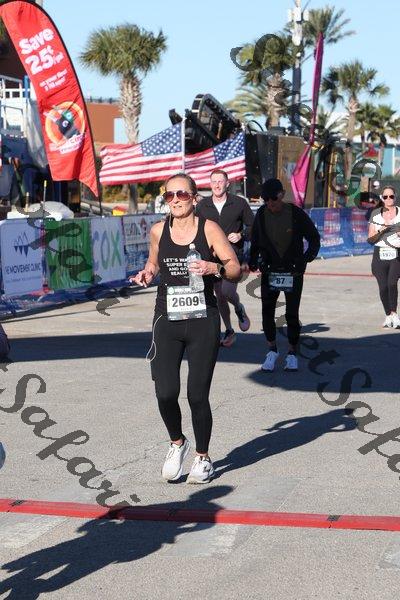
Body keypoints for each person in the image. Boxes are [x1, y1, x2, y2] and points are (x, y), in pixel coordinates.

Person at [132, 173, 240, 483]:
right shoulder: (158, 230)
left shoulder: (209, 229)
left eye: (182, 194)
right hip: (167, 318)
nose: (176, 200)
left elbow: (235, 269)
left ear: (194, 197)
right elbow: (154, 263)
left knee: (196, 394)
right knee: (165, 392)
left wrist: (213, 267)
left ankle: (203, 457)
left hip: (202, 319)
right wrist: (147, 273)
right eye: (170, 195)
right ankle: (177, 443)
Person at [249, 178, 320, 372]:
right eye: (266, 199)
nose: (270, 203)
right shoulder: (262, 214)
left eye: (273, 198)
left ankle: (292, 353)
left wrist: (305, 259)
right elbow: (255, 240)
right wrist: (254, 260)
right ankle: (272, 350)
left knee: (291, 313)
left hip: (292, 270)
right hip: (270, 270)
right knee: (267, 311)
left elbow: (314, 237)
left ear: (281, 195)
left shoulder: (295, 213)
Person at [195, 169, 254, 347]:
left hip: (232, 256)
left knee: (227, 291)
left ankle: (238, 307)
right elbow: (196, 228)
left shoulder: (239, 203)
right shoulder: (203, 206)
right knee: (219, 295)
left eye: (220, 181)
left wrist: (241, 234)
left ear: (227, 184)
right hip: (212, 257)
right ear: (210, 184)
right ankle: (229, 330)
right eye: (214, 181)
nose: (217, 185)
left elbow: (253, 225)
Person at [367, 185, 400, 328]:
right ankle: (388, 315)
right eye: (385, 197)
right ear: (382, 198)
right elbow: (370, 239)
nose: (388, 199)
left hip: (396, 254)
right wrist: (381, 229)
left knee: (392, 283)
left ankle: (394, 314)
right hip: (379, 254)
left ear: (395, 197)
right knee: (383, 287)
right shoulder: (375, 214)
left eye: (391, 196)